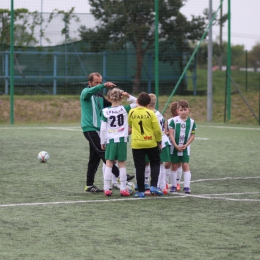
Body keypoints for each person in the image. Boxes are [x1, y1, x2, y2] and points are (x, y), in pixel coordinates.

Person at [80, 72, 134, 193]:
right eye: (96, 83)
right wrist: (103, 85)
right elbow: (89, 93)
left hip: (98, 129)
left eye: (100, 82)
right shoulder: (85, 92)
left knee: (94, 158)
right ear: (90, 83)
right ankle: (120, 175)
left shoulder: (99, 95)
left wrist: (119, 99)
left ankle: (89, 185)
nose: (98, 85)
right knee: (101, 151)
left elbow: (111, 105)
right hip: (89, 128)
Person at [100, 88, 137, 197]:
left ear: (108, 98)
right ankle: (123, 189)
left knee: (109, 163)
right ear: (121, 98)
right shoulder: (124, 109)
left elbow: (102, 129)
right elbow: (138, 102)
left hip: (110, 140)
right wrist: (127, 95)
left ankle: (106, 188)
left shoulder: (105, 111)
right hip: (122, 140)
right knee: (121, 164)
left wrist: (102, 141)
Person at [128, 92, 163, 198]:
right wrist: (159, 141)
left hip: (137, 143)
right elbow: (157, 129)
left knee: (139, 166)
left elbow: (130, 126)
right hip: (150, 142)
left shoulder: (131, 112)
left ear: (137, 101)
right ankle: (153, 186)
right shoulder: (150, 113)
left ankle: (141, 191)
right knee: (155, 163)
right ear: (148, 103)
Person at [168, 99, 196, 194]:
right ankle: (174, 186)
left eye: (185, 109)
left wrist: (186, 145)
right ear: (177, 110)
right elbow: (171, 134)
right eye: (181, 110)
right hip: (174, 147)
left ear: (188, 110)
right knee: (174, 166)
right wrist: (175, 145)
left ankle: (187, 187)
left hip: (185, 148)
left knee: (185, 165)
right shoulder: (173, 121)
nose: (183, 112)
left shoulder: (192, 122)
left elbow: (193, 135)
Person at [147, 93, 171, 195]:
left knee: (153, 163)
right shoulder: (158, 113)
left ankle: (151, 186)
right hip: (164, 139)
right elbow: (165, 124)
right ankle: (162, 187)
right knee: (160, 164)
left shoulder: (149, 114)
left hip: (157, 141)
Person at [167, 101, 182, 191]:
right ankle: (177, 183)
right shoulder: (174, 121)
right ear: (177, 111)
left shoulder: (168, 121)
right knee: (178, 164)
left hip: (171, 145)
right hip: (177, 144)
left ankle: (166, 183)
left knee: (169, 164)